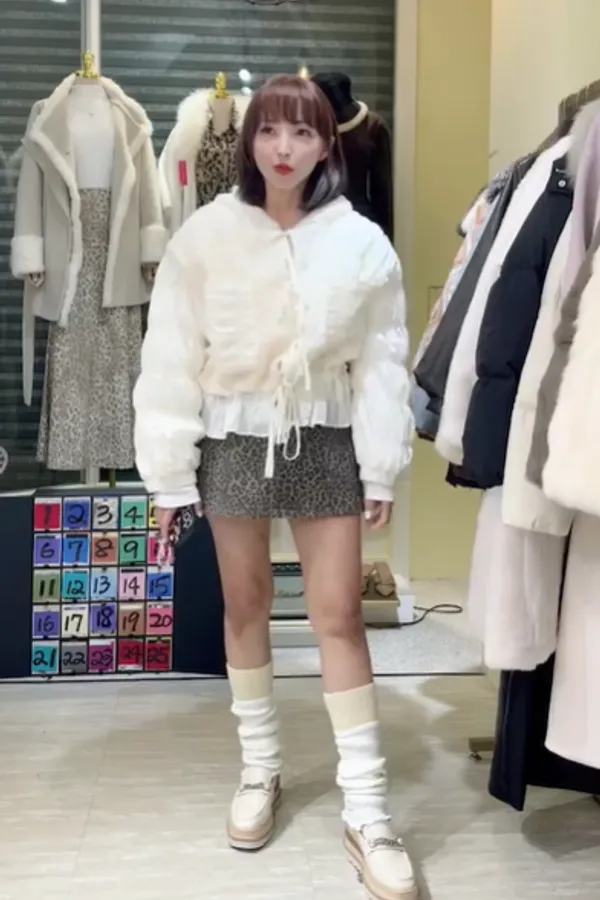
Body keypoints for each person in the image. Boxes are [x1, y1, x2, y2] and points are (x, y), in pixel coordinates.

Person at [133, 74, 416, 900]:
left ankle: (367, 810)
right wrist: (168, 475)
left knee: (338, 616)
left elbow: (383, 358)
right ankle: (260, 770)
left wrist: (381, 461)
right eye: (269, 131)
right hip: (230, 437)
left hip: (324, 434)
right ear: (248, 140)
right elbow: (170, 352)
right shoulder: (205, 236)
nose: (283, 148)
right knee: (246, 606)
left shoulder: (359, 241)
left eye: (303, 133)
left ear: (329, 145)